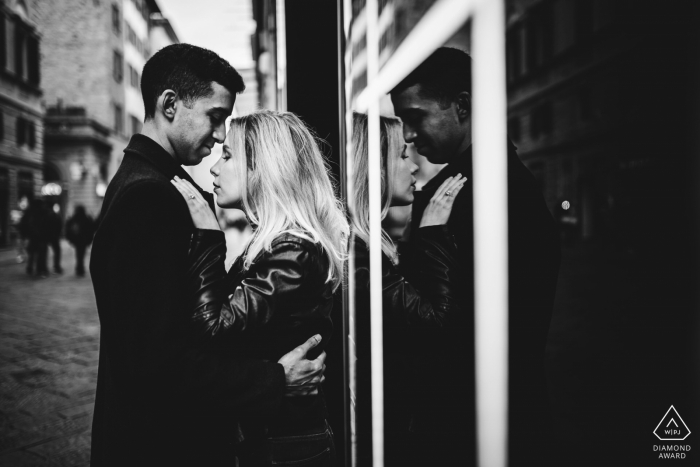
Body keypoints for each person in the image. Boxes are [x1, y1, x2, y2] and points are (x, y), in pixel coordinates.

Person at [89, 44, 326, 466]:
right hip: (162, 444)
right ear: (169, 104)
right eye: (215, 117)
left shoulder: (151, 183)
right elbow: (154, 360)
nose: (219, 138)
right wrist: (274, 381)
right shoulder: (151, 195)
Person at [390, 47, 560, 466]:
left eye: (415, 117)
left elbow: (453, 326)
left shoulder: (479, 192)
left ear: (462, 106)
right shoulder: (488, 182)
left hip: (472, 421)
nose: (408, 136)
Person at [170, 110, 348, 466]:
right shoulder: (279, 244)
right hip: (277, 438)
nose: (215, 168)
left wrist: (208, 240)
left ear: (262, 168)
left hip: (287, 445)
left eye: (229, 155)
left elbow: (213, 328)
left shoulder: (292, 251)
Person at [350, 112, 467, 466]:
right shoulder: (361, 256)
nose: (413, 166)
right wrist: (433, 236)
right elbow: (438, 326)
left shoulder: (365, 247)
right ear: (375, 168)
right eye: (402, 155)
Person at [22, 198, 49, 277]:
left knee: (32, 253)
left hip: (33, 237)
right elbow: (47, 225)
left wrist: (25, 235)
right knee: (41, 254)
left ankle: (30, 268)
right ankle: (40, 270)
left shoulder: (29, 211)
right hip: (41, 237)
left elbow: (24, 224)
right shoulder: (43, 212)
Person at [65, 205, 94, 276]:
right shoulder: (86, 218)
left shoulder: (74, 218)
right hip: (83, 240)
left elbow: (68, 228)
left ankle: (79, 267)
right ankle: (80, 268)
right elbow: (91, 229)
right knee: (81, 254)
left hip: (77, 239)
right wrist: (89, 240)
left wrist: (71, 239)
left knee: (78, 254)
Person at [47, 203, 63, 274]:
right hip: (53, 237)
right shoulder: (55, 216)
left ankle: (56, 266)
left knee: (56, 251)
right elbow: (59, 226)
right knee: (57, 251)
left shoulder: (54, 216)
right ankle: (56, 267)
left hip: (53, 236)